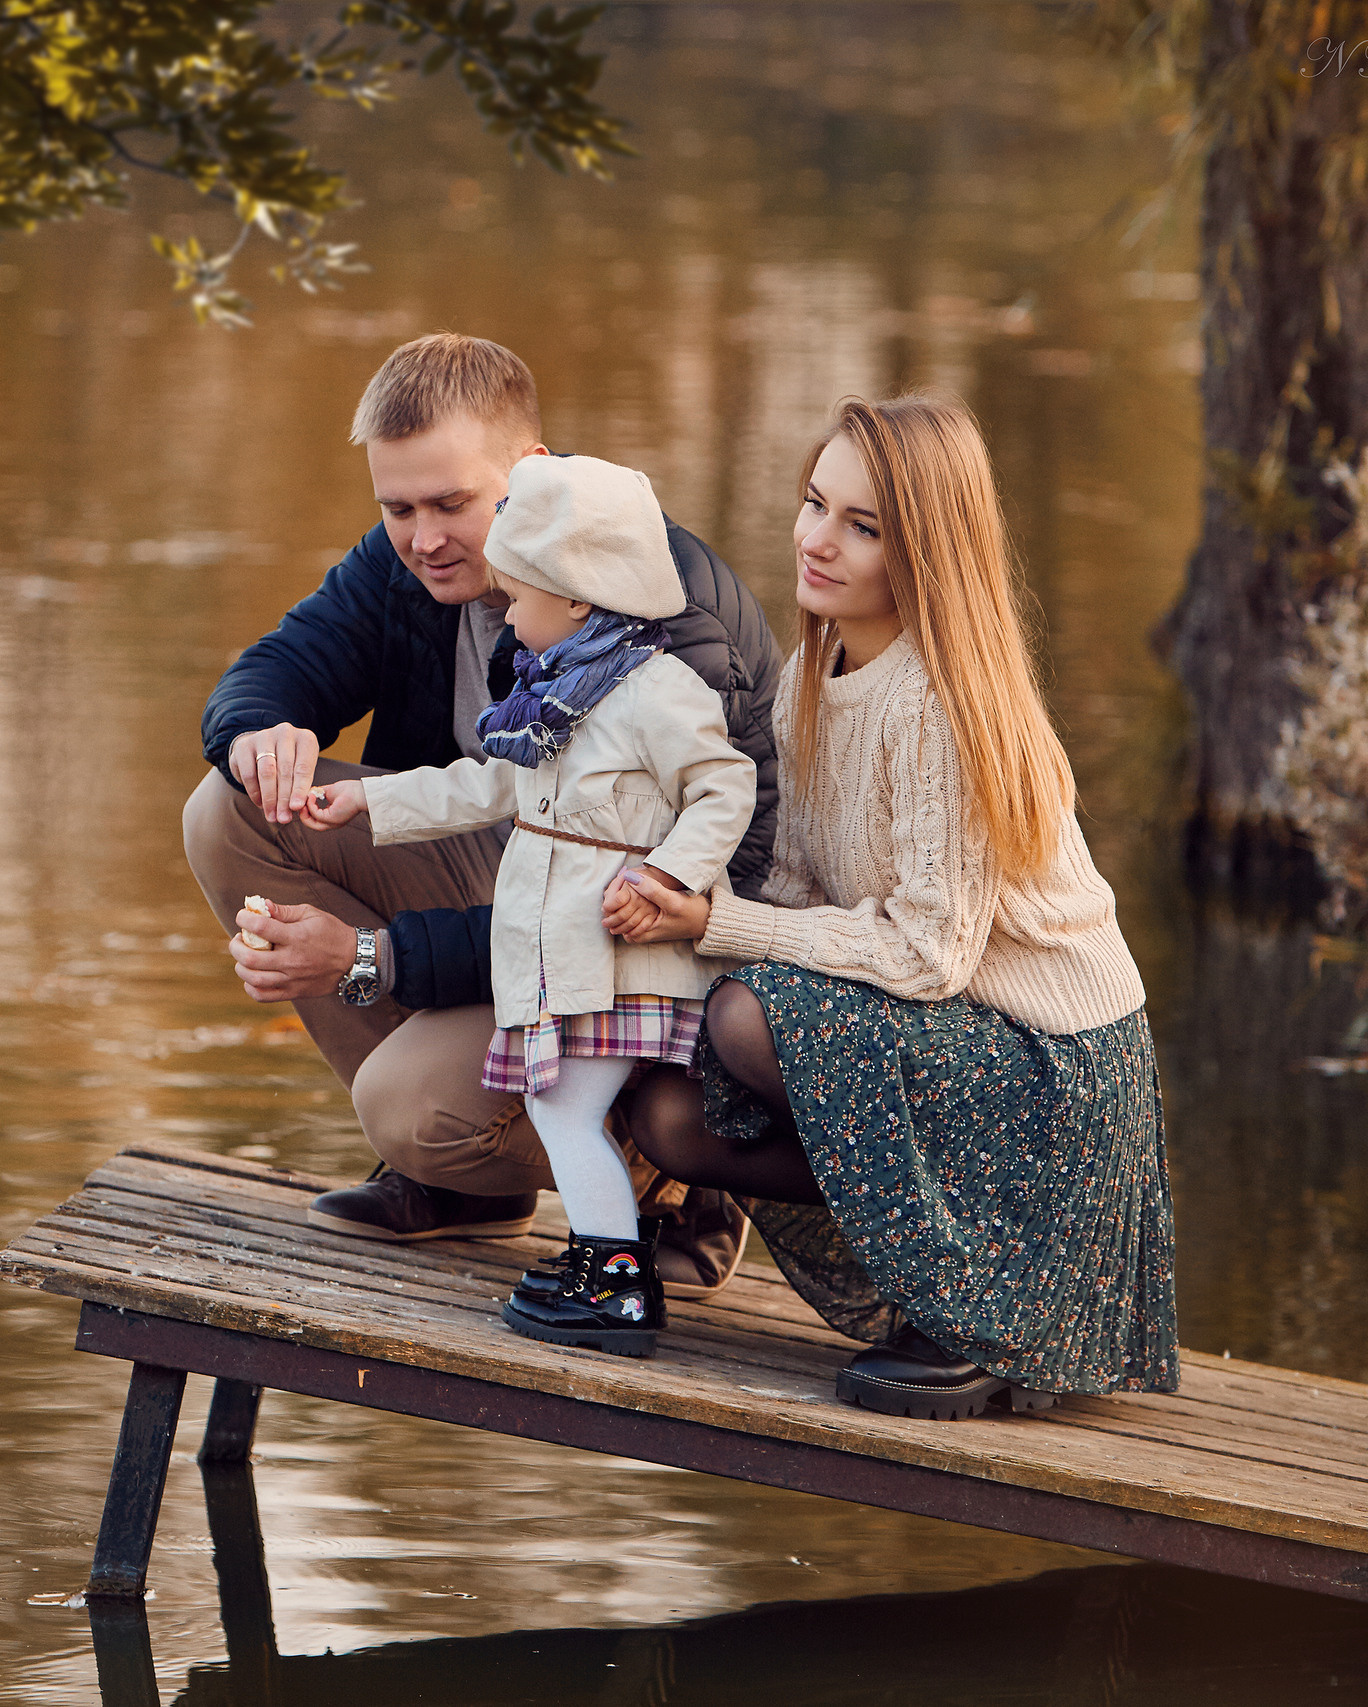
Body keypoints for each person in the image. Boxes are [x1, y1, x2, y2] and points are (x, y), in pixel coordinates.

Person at [600, 393, 1180, 1418]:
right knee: (674, 1117)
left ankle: (976, 1311)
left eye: (861, 526)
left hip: (1052, 1075)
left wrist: (719, 928)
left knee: (747, 1015)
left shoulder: (941, 707)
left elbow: (928, 954)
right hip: (953, 1043)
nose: (817, 540)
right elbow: (793, 889)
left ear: (925, 552)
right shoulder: (814, 675)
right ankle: (921, 1276)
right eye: (814, 503)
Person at [184, 333, 785, 1294]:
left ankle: (671, 1171)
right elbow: (282, 662)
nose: (423, 538)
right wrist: (260, 731)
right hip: (520, 874)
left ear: (531, 470)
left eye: (451, 503)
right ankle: (459, 1182)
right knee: (231, 808)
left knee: (410, 1106)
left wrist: (373, 957)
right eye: (398, 508)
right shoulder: (410, 562)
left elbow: (685, 885)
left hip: (639, 956)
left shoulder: (662, 616)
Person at [301, 454, 755, 1355]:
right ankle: (605, 1262)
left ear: (578, 597)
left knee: (564, 1109)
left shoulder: (655, 689)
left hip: (621, 957)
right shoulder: (556, 695)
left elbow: (725, 786)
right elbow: (487, 784)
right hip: (567, 955)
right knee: (561, 1107)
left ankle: (616, 1279)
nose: (506, 615)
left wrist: (667, 877)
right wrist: (369, 801)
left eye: (519, 596)